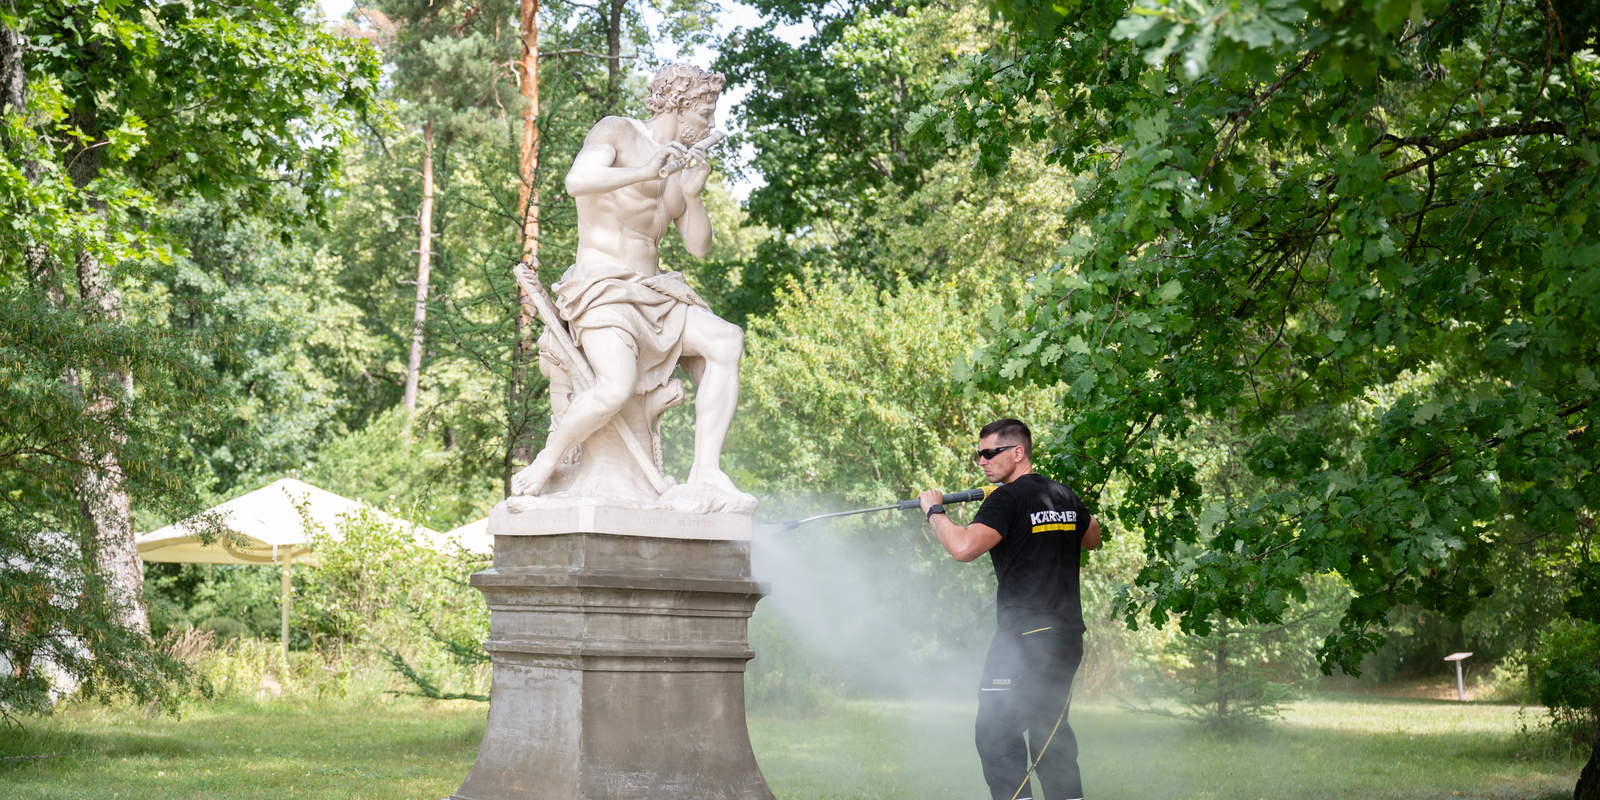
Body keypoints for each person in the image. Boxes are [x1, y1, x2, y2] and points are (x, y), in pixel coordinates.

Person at [511, 64, 749, 506]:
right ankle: (546, 462)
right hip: (601, 287)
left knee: (726, 340)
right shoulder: (618, 131)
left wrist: (693, 194)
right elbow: (576, 181)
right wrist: (646, 170)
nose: (711, 124)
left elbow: (699, 248)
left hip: (654, 292)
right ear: (678, 107)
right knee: (614, 387)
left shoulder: (682, 163)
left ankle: (707, 471)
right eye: (704, 112)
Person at [920, 418, 1102, 800]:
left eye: (990, 453)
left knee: (996, 735)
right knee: (1050, 735)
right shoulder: (1060, 494)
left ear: (1018, 453)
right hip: (1067, 637)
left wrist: (934, 510)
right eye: (979, 454)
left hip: (1024, 640)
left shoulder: (1007, 498)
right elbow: (1093, 538)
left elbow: (963, 548)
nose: (982, 461)